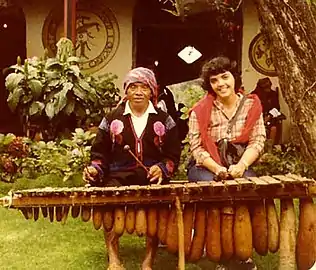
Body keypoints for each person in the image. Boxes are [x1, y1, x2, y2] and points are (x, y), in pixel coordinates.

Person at [83, 67, 181, 270]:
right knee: (109, 199)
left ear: (152, 91)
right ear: (126, 91)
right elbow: (99, 153)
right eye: (133, 87)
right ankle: (114, 258)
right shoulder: (112, 118)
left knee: (157, 204)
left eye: (144, 87)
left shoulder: (164, 119)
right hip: (118, 174)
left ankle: (148, 261)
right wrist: (95, 170)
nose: (138, 92)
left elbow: (173, 155)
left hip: (151, 176)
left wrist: (162, 169)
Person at [187, 56, 266, 269]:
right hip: (206, 166)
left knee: (246, 191)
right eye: (214, 80)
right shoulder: (199, 110)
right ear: (209, 85)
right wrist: (217, 169)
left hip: (240, 164)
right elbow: (196, 148)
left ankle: (244, 254)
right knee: (218, 194)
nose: (221, 84)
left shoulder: (252, 105)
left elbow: (258, 141)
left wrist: (241, 166)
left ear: (234, 77)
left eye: (225, 77)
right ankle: (220, 254)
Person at [253, 77, 285, 145]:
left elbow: (276, 107)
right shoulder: (254, 95)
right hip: (257, 119)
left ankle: (270, 148)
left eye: (269, 86)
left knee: (273, 128)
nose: (268, 89)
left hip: (270, 118)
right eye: (266, 88)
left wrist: (269, 116)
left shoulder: (273, 94)